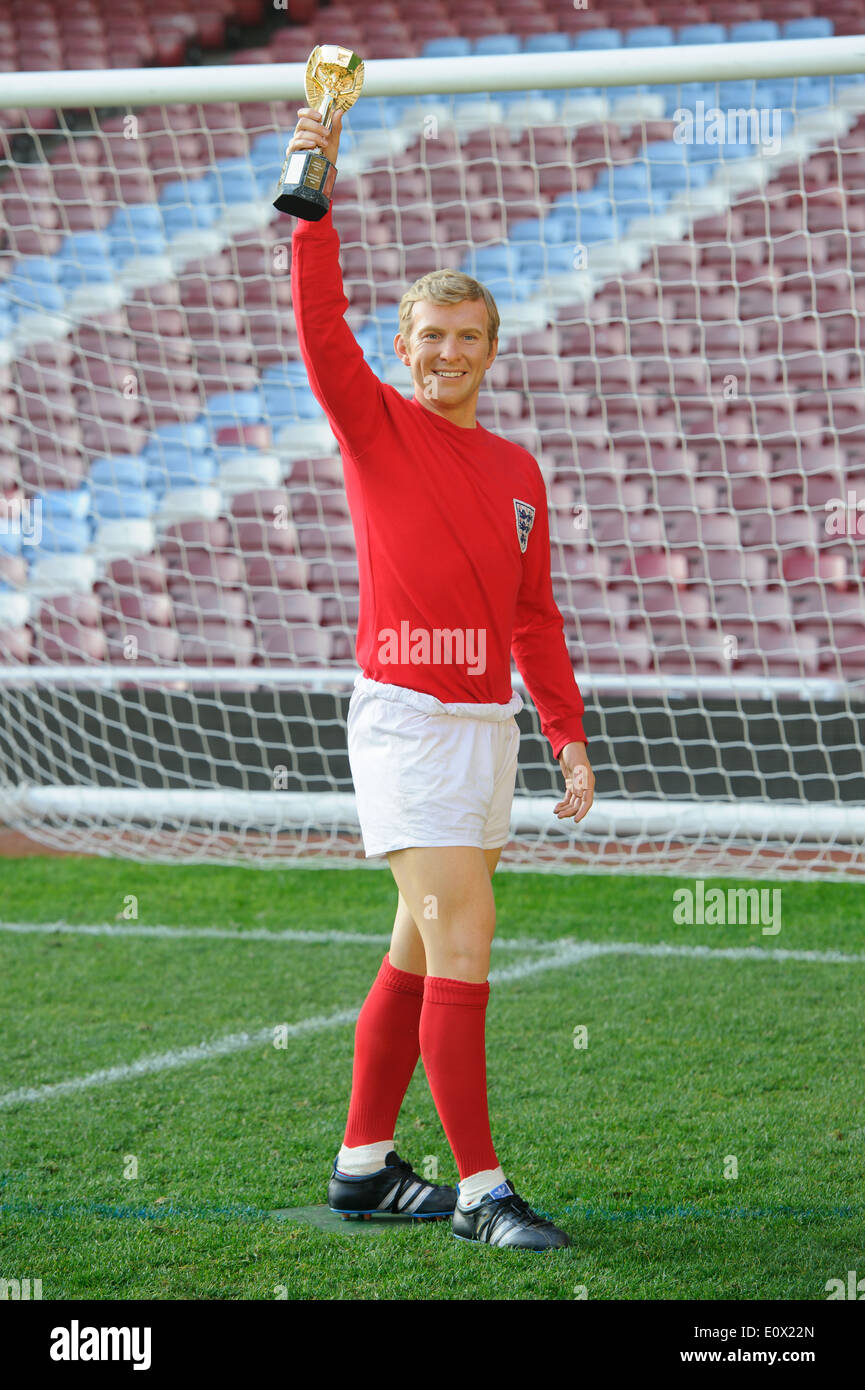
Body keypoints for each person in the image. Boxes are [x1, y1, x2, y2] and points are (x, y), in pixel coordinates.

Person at [287, 105, 595, 1249]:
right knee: (463, 930)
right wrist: (313, 186)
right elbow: (320, 329)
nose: (449, 352)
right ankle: (482, 1191)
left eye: (469, 335)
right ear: (405, 348)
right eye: (430, 336)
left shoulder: (518, 469)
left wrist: (563, 730)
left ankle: (362, 1168)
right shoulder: (374, 428)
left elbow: (531, 611)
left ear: (492, 348)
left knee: (416, 949)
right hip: (407, 721)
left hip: (488, 729)